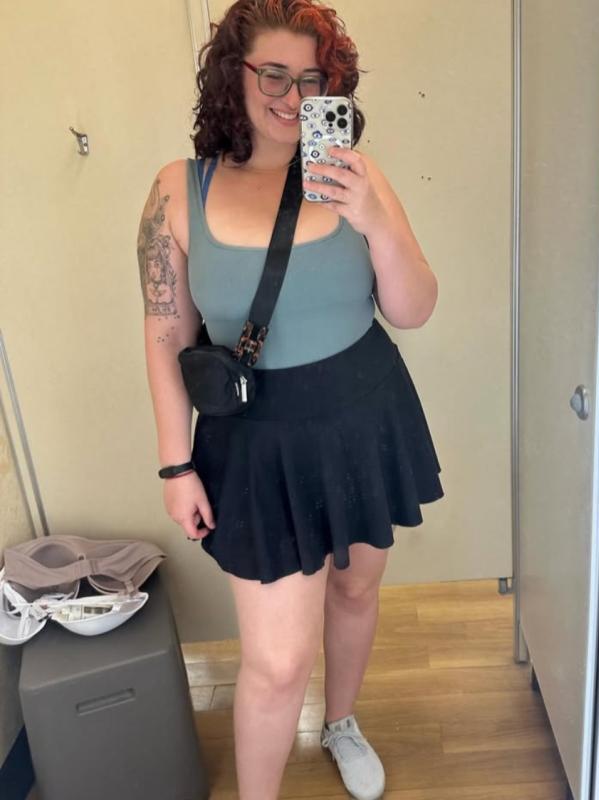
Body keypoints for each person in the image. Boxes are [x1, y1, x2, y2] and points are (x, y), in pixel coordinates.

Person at [136, 1, 443, 798]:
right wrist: (175, 465)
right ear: (231, 75)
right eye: (274, 74)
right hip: (255, 441)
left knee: (356, 587)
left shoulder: (358, 178)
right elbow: (165, 338)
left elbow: (413, 308)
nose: (293, 96)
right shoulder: (178, 191)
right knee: (275, 663)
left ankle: (341, 722)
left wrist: (374, 219)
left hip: (365, 413)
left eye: (313, 79)